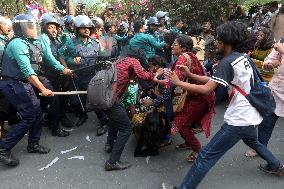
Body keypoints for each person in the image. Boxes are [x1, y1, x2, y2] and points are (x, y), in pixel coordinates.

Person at [162, 21, 284, 189]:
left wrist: (179, 82)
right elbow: (214, 81)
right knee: (254, 142)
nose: (216, 41)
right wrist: (190, 74)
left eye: (219, 39)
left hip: (239, 120)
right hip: (251, 116)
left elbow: (206, 89)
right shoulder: (241, 57)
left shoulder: (228, 62)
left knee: (205, 156)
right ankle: (277, 166)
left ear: (227, 40)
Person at [0, 14, 69, 167]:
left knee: (37, 112)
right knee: (29, 116)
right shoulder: (18, 43)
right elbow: (27, 70)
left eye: (35, 25)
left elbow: (47, 59)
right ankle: (3, 149)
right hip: (13, 84)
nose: (34, 29)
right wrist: (43, 89)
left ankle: (33, 144)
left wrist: (62, 69)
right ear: (22, 29)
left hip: (23, 83)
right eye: (30, 26)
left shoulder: (33, 42)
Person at [158, 34, 215, 162]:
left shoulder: (183, 57)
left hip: (199, 97)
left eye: (175, 44)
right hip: (198, 95)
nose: (172, 46)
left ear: (183, 48)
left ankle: (198, 151)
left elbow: (174, 81)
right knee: (185, 122)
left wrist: (155, 79)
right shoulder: (189, 55)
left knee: (181, 125)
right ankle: (189, 143)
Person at [104, 48, 162, 171]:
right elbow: (143, 75)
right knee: (126, 128)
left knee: (114, 120)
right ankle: (112, 162)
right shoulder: (133, 61)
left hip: (105, 97)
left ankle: (109, 144)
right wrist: (156, 74)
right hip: (112, 99)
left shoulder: (119, 60)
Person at [245, 38, 284, 158]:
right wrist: (269, 64)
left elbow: (281, 52)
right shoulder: (283, 39)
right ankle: (261, 148)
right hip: (278, 87)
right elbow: (274, 59)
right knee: (267, 120)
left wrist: (283, 50)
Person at [58, 15, 100, 127]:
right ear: (77, 29)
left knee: (95, 98)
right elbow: (61, 55)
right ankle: (82, 115)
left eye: (88, 28)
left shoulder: (96, 43)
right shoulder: (70, 42)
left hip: (91, 76)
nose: (86, 30)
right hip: (76, 76)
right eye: (83, 28)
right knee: (75, 101)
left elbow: (102, 57)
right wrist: (68, 67)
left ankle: (103, 120)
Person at [39, 13, 74, 136]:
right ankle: (55, 128)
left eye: (55, 27)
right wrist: (62, 69)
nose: (54, 30)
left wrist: (66, 69)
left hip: (54, 74)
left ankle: (57, 118)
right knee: (54, 100)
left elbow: (59, 55)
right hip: (44, 75)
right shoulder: (43, 37)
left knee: (62, 97)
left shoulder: (55, 39)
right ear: (44, 27)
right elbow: (48, 56)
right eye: (50, 27)